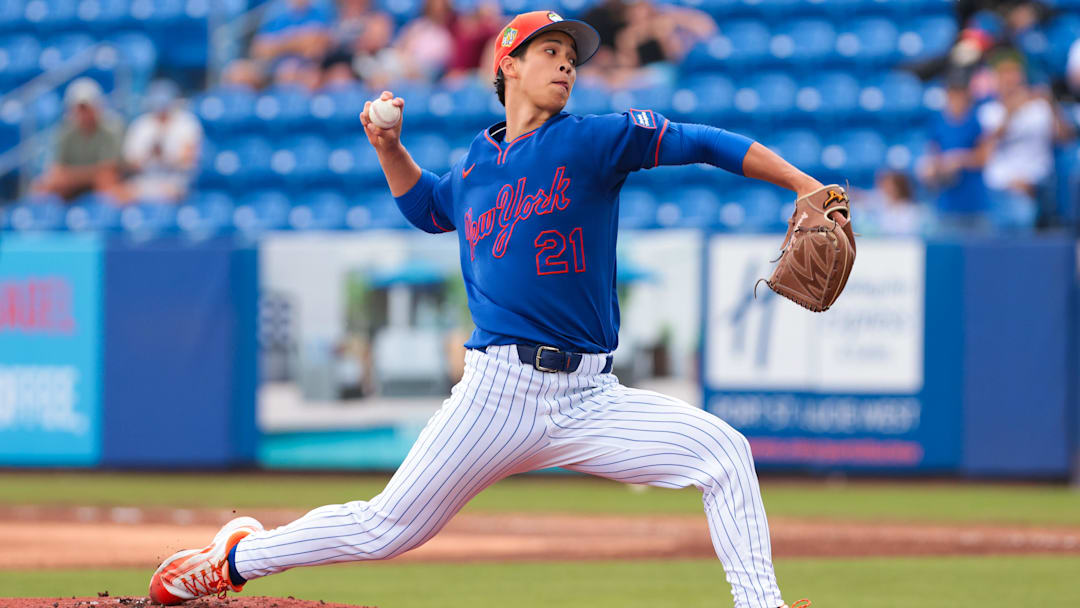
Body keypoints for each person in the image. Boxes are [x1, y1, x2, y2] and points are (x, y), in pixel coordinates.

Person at [148, 11, 822, 608]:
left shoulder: (593, 139)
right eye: (549, 52)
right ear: (510, 67)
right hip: (499, 393)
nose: (566, 65)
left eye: (571, 56)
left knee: (724, 452)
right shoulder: (477, 164)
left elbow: (701, 141)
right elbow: (430, 209)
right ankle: (232, 561)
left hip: (591, 396)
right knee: (387, 528)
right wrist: (390, 150)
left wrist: (802, 183)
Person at [976, 48, 1054, 230]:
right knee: (1020, 212)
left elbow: (1064, 137)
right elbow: (985, 150)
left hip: (1039, 186)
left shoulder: (1040, 107)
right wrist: (1011, 111)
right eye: (1004, 74)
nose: (1010, 79)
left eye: (1014, 73)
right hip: (1001, 190)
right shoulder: (988, 111)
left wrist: (1052, 104)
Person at [917, 71, 991, 233]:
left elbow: (984, 157)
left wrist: (960, 159)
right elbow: (933, 156)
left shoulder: (975, 121)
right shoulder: (938, 123)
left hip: (974, 204)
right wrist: (934, 168)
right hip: (947, 204)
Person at [32, 78, 124, 202]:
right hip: (74, 184)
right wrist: (83, 176)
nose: (84, 114)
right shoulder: (64, 132)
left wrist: (71, 176)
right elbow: (57, 169)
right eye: (80, 109)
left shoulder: (111, 128)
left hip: (96, 182)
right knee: (43, 186)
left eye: (86, 108)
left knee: (107, 182)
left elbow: (108, 169)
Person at [119, 79, 204, 204]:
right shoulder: (141, 124)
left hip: (176, 179)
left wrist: (166, 156)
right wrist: (149, 154)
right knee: (119, 195)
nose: (162, 110)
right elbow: (129, 163)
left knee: (172, 193)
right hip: (145, 178)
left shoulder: (186, 122)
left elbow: (189, 159)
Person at [251, 0, 336, 66]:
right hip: (277, 66)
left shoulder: (321, 12)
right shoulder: (276, 13)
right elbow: (259, 49)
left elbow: (318, 49)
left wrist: (279, 44)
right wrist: (296, 42)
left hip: (309, 67)